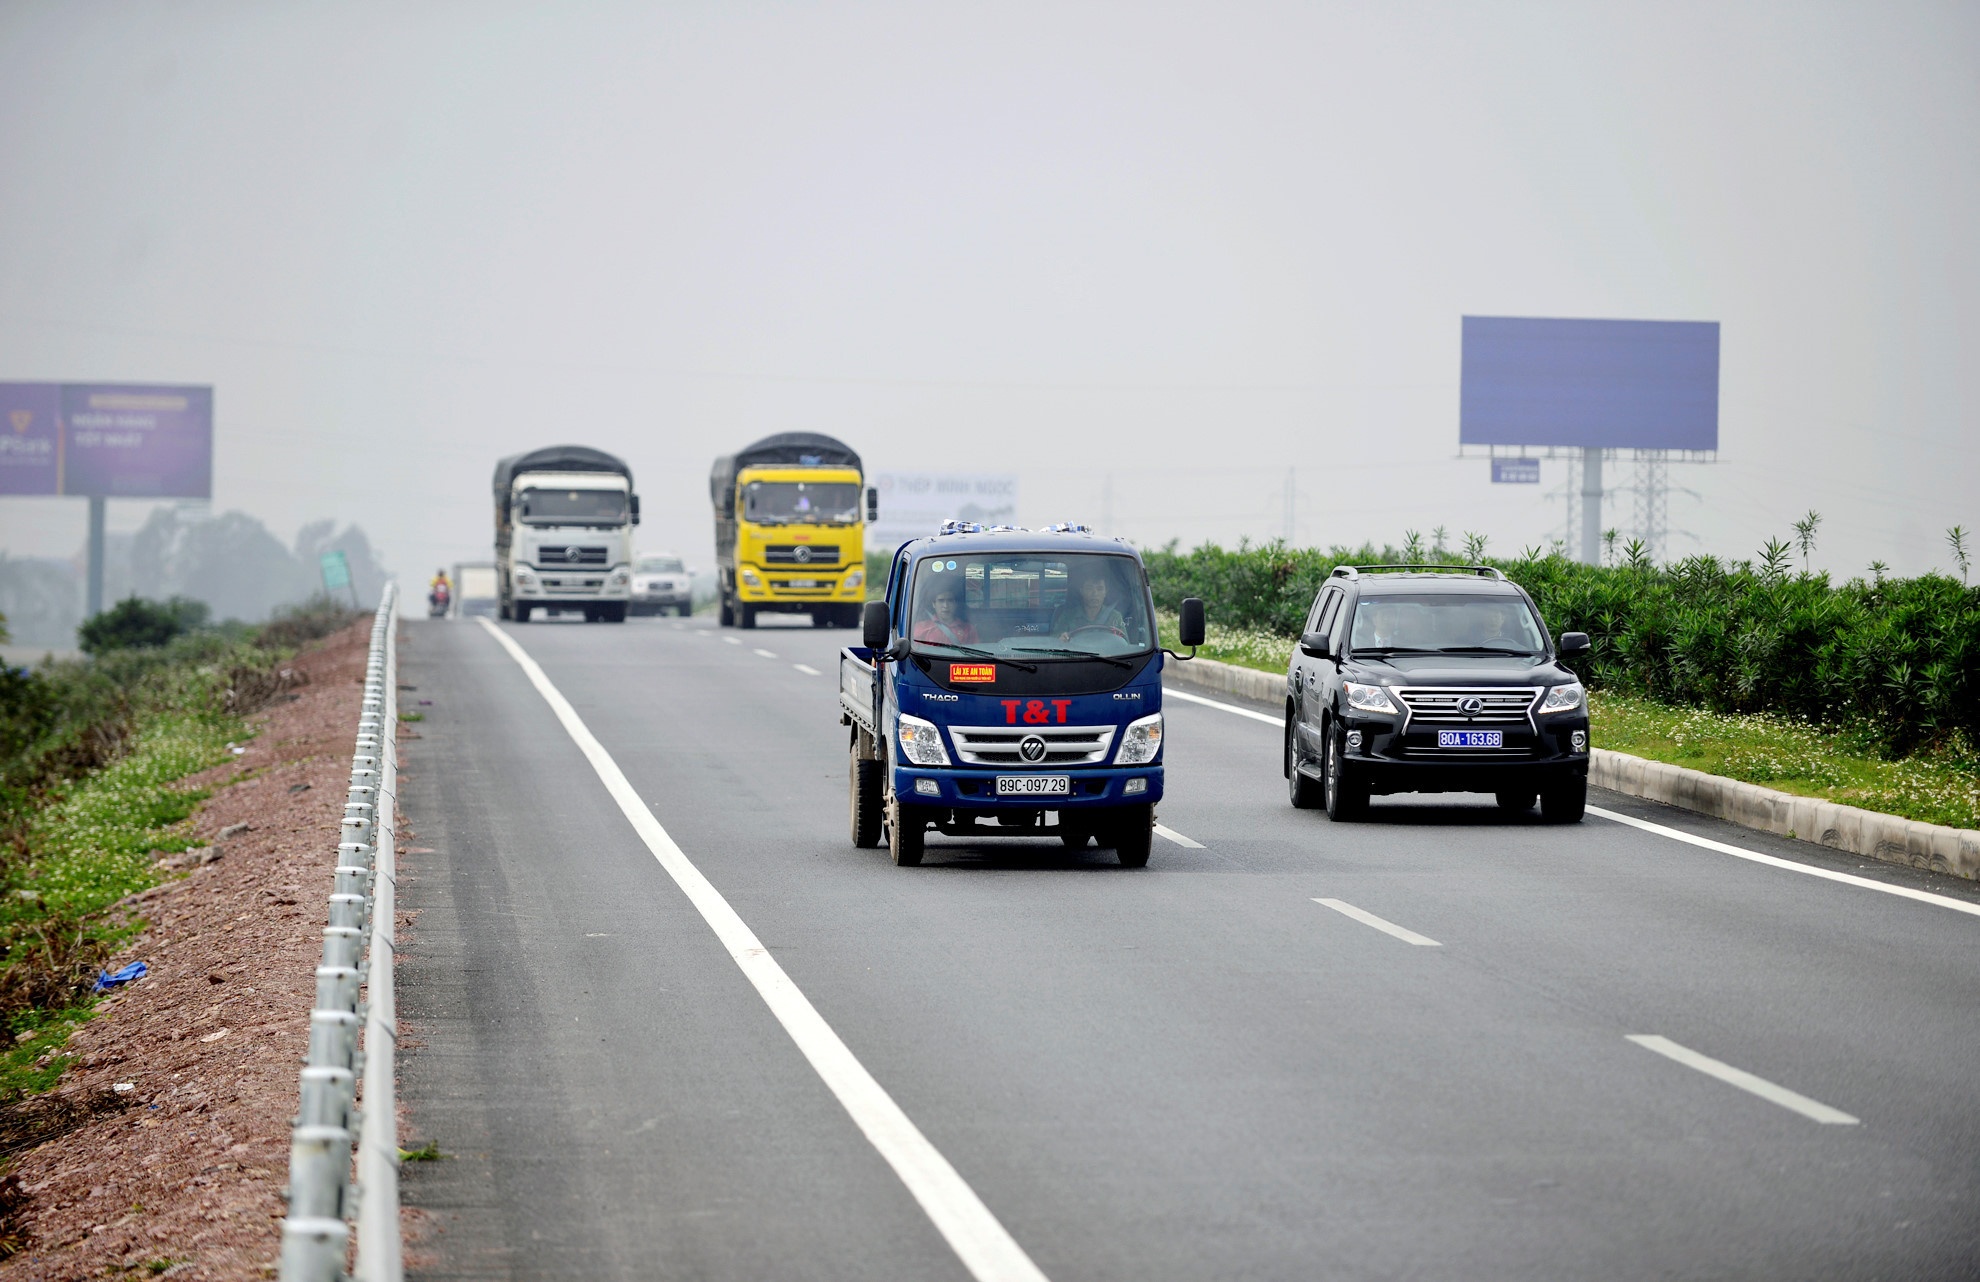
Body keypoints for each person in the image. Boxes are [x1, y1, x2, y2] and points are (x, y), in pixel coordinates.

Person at [1051, 567, 1125, 639]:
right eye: (1089, 588)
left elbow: (1124, 645)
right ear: (1081, 591)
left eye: (1100, 589)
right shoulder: (1067, 617)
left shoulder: (1115, 617)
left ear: (1105, 592)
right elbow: (1054, 643)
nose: (1095, 593)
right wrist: (1061, 639)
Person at [913, 584, 979, 646]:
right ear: (934, 604)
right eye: (941, 601)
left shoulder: (968, 629)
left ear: (955, 604)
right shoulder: (921, 628)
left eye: (950, 601)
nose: (945, 606)